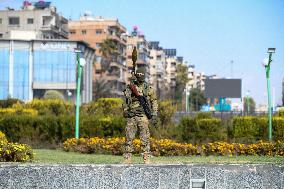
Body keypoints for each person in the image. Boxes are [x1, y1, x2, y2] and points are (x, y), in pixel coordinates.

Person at [122, 66, 158, 164]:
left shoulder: (148, 89)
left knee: (144, 136)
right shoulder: (130, 87)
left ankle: (146, 157)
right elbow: (125, 101)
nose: (140, 77)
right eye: (139, 75)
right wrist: (126, 111)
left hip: (143, 115)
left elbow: (154, 101)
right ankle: (127, 157)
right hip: (132, 115)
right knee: (129, 136)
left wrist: (154, 114)